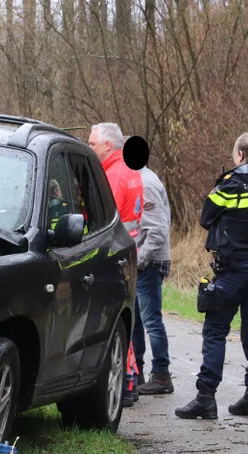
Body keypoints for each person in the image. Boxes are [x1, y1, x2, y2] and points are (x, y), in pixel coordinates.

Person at [175, 131, 248, 420]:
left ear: (239, 155)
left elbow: (205, 218)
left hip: (234, 270)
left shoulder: (230, 186)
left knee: (215, 331)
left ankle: (206, 398)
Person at [89, 123, 144, 406]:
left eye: (93, 144)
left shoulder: (111, 176)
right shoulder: (131, 170)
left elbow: (101, 219)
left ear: (108, 146)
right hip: (128, 251)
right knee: (125, 320)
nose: (89, 148)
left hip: (113, 255)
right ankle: (131, 379)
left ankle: (125, 383)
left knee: (113, 324)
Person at [134, 163, 174, 395]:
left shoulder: (146, 183)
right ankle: (136, 371)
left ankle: (161, 374)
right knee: (137, 321)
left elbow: (157, 230)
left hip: (149, 262)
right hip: (143, 260)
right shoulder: (137, 180)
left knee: (150, 320)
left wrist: (139, 259)